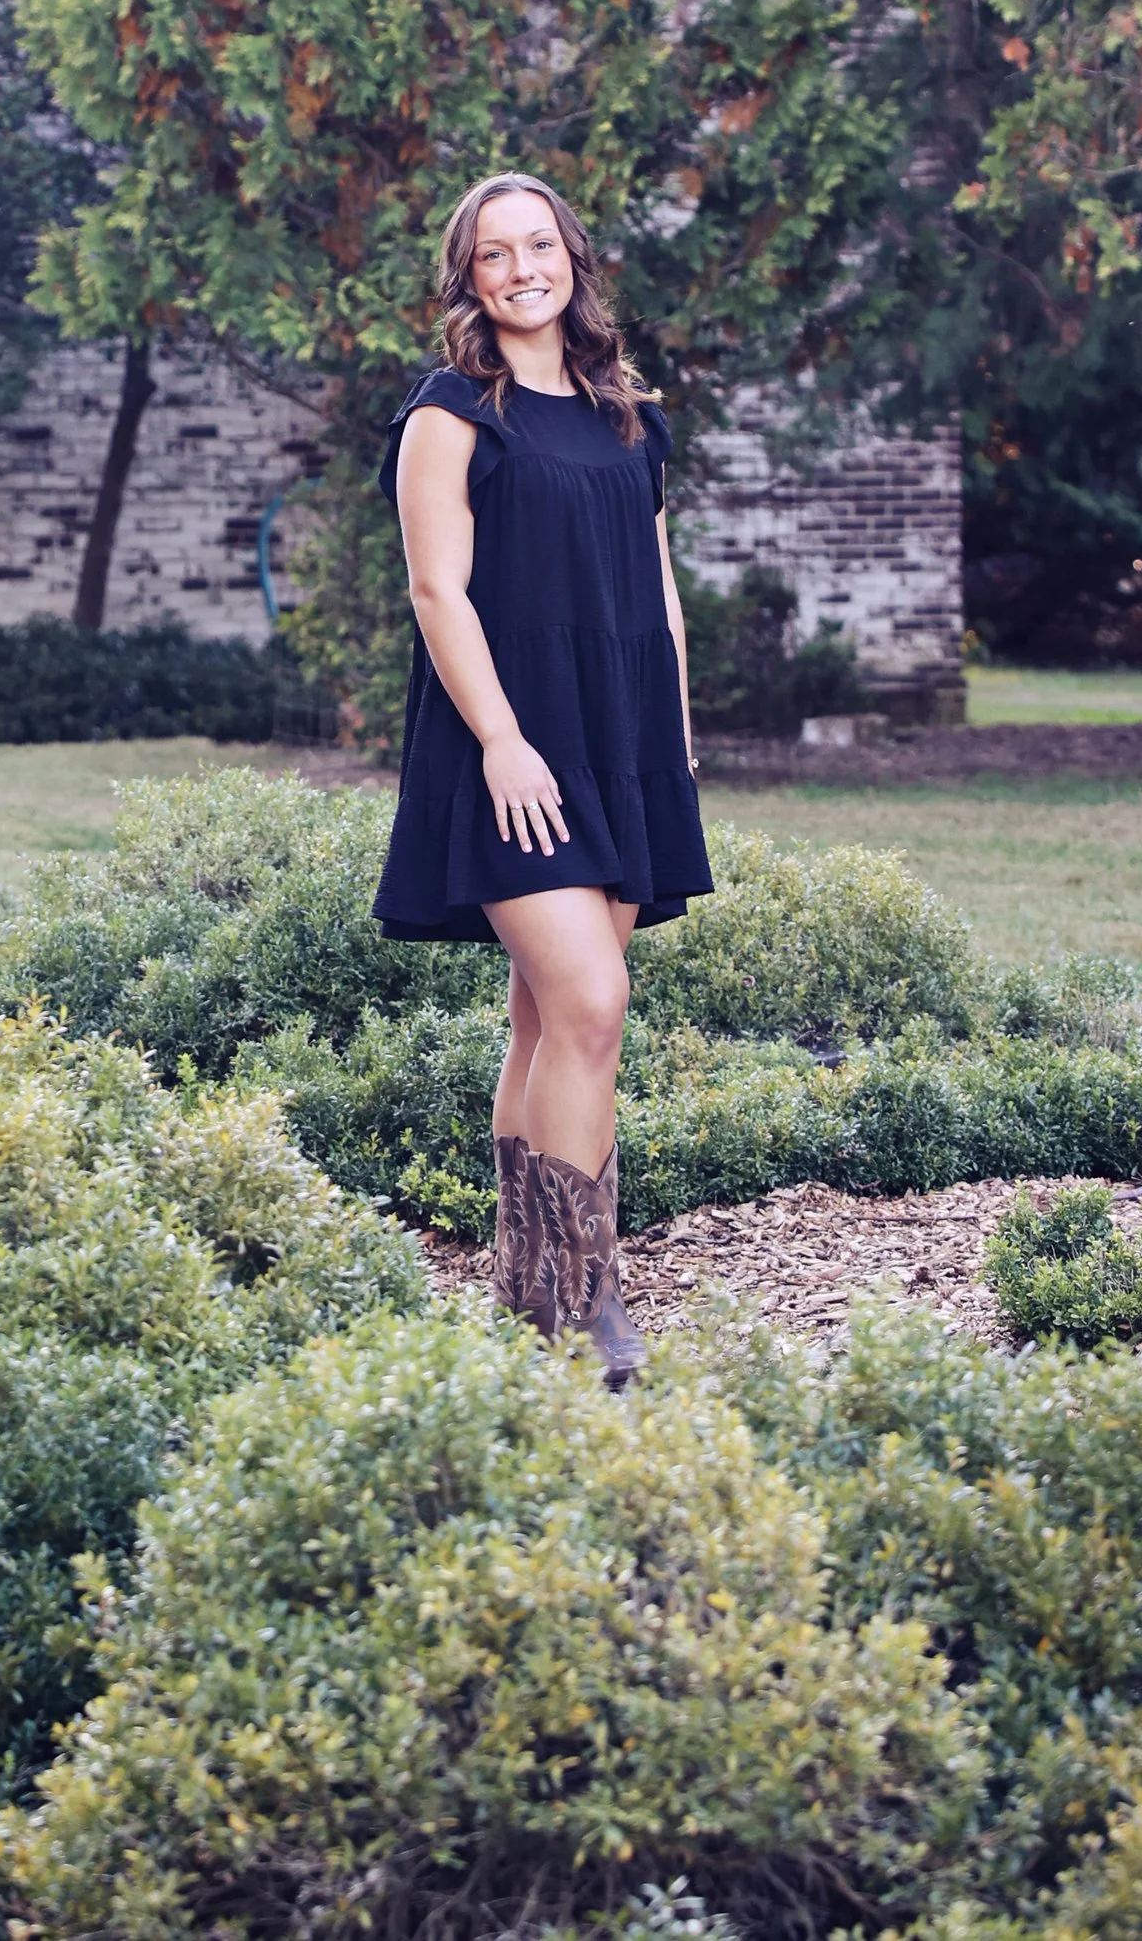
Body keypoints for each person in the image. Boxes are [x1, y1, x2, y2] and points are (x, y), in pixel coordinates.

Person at [372, 173, 711, 1383]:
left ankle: (524, 1297)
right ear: (468, 280)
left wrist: (671, 739)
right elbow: (435, 592)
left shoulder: (629, 416)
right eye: (494, 255)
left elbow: (656, 588)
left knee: (543, 1018)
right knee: (589, 1007)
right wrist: (504, 739)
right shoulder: (453, 413)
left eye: (540, 246)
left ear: (572, 257)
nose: (523, 269)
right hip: (508, 745)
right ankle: (586, 1308)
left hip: (620, 743)